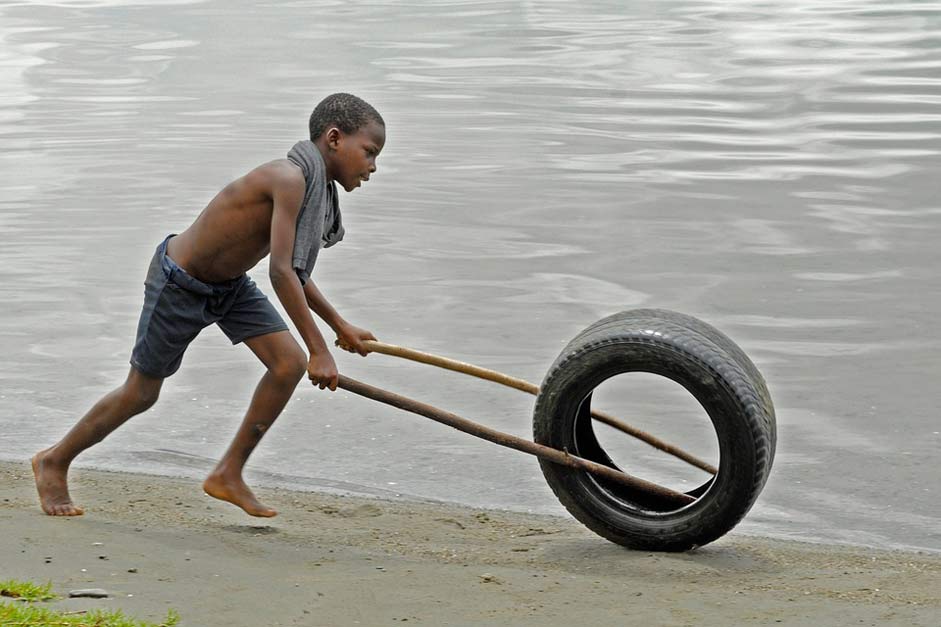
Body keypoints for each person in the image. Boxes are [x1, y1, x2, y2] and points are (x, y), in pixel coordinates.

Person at [32, 93, 386, 518]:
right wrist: (320, 349)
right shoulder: (289, 179)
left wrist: (338, 326)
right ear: (333, 138)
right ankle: (54, 460)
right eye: (369, 152)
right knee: (141, 393)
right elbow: (280, 273)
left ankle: (228, 473)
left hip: (229, 286)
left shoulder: (314, 189)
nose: (373, 166)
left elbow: (296, 271)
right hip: (179, 283)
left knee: (287, 363)